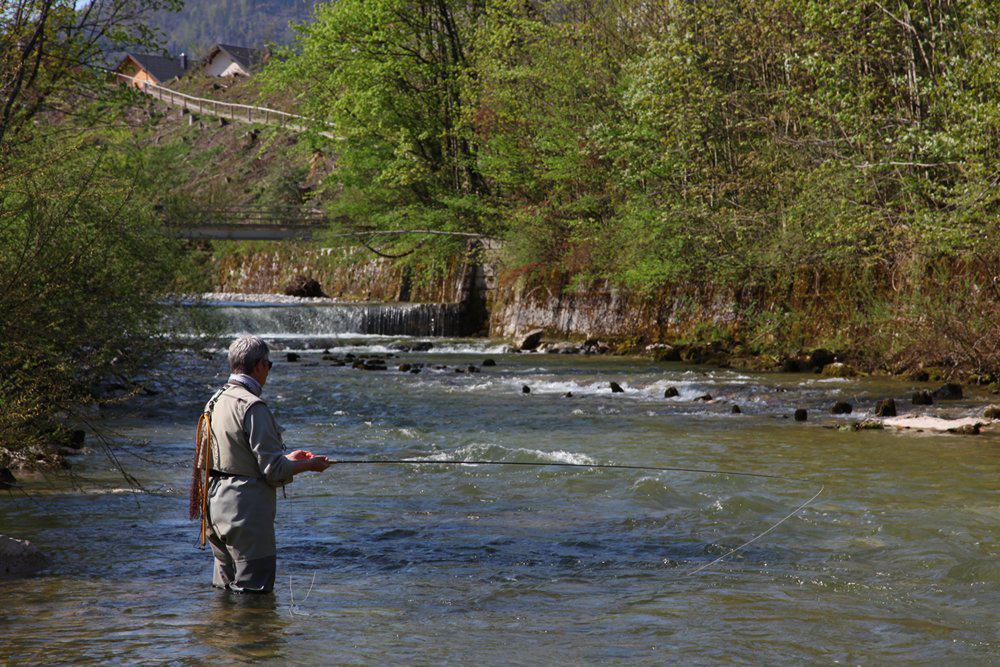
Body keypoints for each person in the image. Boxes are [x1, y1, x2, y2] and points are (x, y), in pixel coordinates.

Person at [194, 335, 332, 593]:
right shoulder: (252, 406)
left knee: (223, 594)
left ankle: (218, 635)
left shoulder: (215, 400)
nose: (268, 370)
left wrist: (288, 458)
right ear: (258, 366)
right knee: (254, 596)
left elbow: (229, 457)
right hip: (246, 513)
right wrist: (309, 465)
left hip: (213, 508)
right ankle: (253, 635)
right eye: (269, 365)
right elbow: (273, 472)